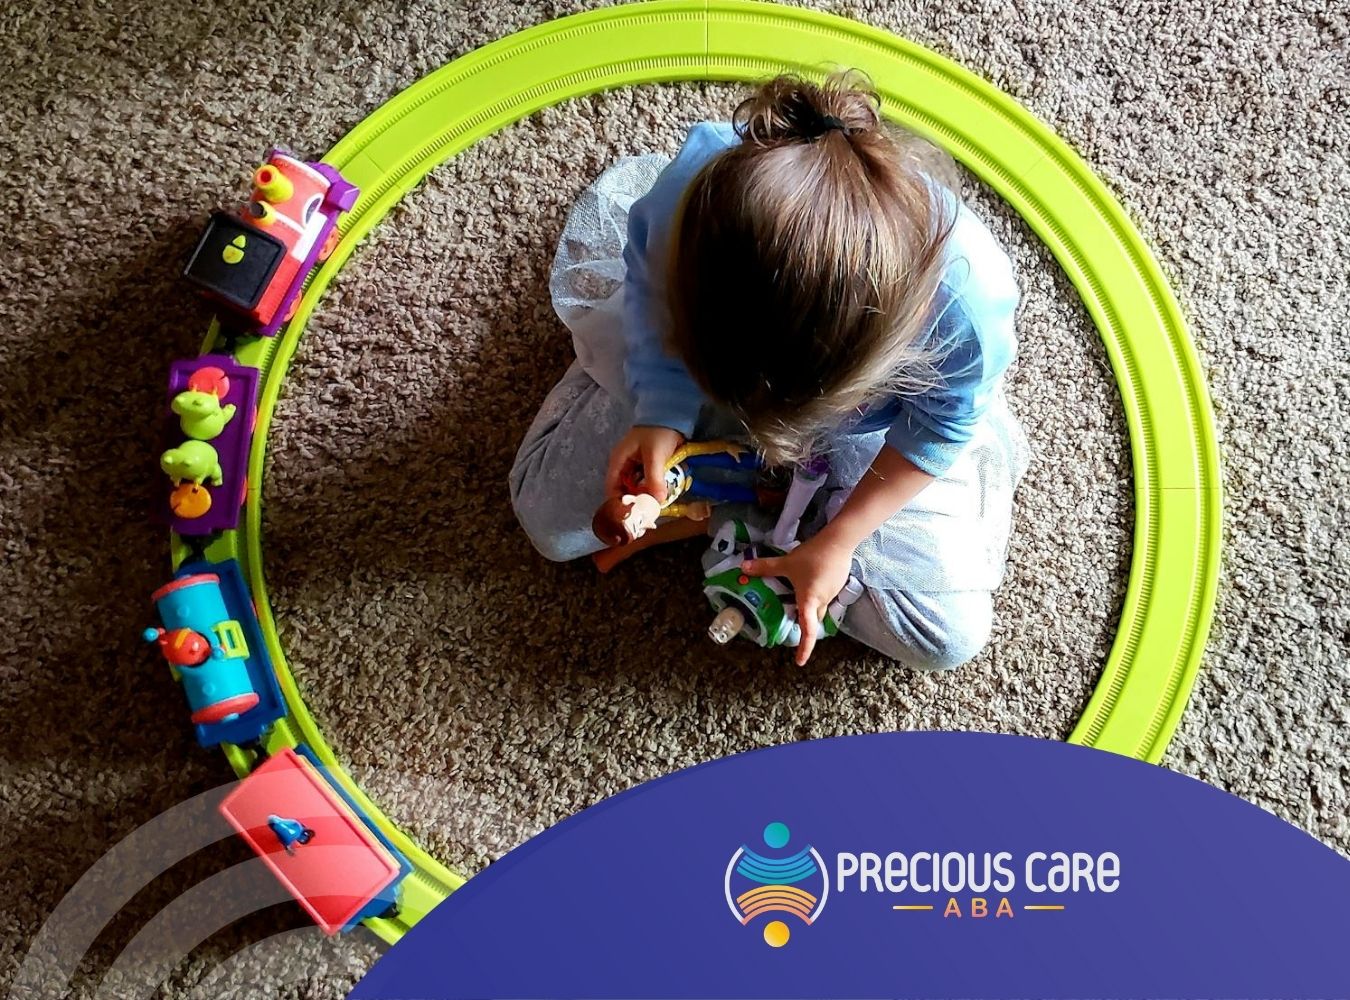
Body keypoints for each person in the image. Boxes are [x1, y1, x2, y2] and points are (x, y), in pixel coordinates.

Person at [510, 71, 1029, 669]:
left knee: (949, 640)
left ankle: (746, 500)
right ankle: (751, 494)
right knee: (545, 521)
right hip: (704, 371)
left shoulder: (966, 307)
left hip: (866, 430)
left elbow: (939, 429)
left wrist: (839, 542)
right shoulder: (690, 200)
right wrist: (660, 415)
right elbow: (652, 302)